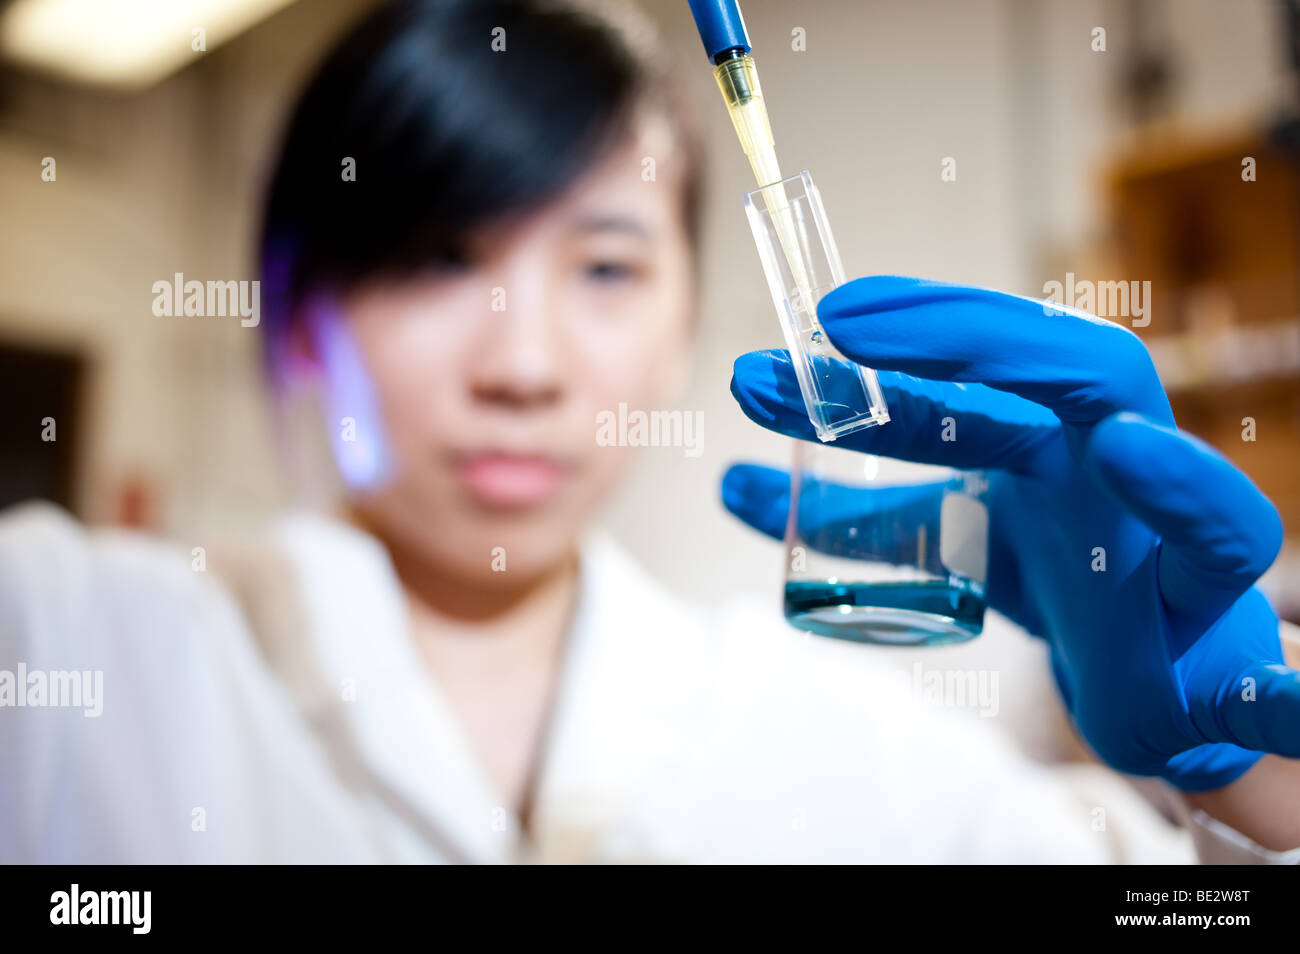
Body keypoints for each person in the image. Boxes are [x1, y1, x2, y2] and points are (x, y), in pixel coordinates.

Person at [0, 0, 1297, 864]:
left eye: (607, 269)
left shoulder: (824, 737)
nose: (522, 361)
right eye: (437, 260)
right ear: (292, 314)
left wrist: (1249, 779)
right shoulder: (64, 643)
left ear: (686, 317)